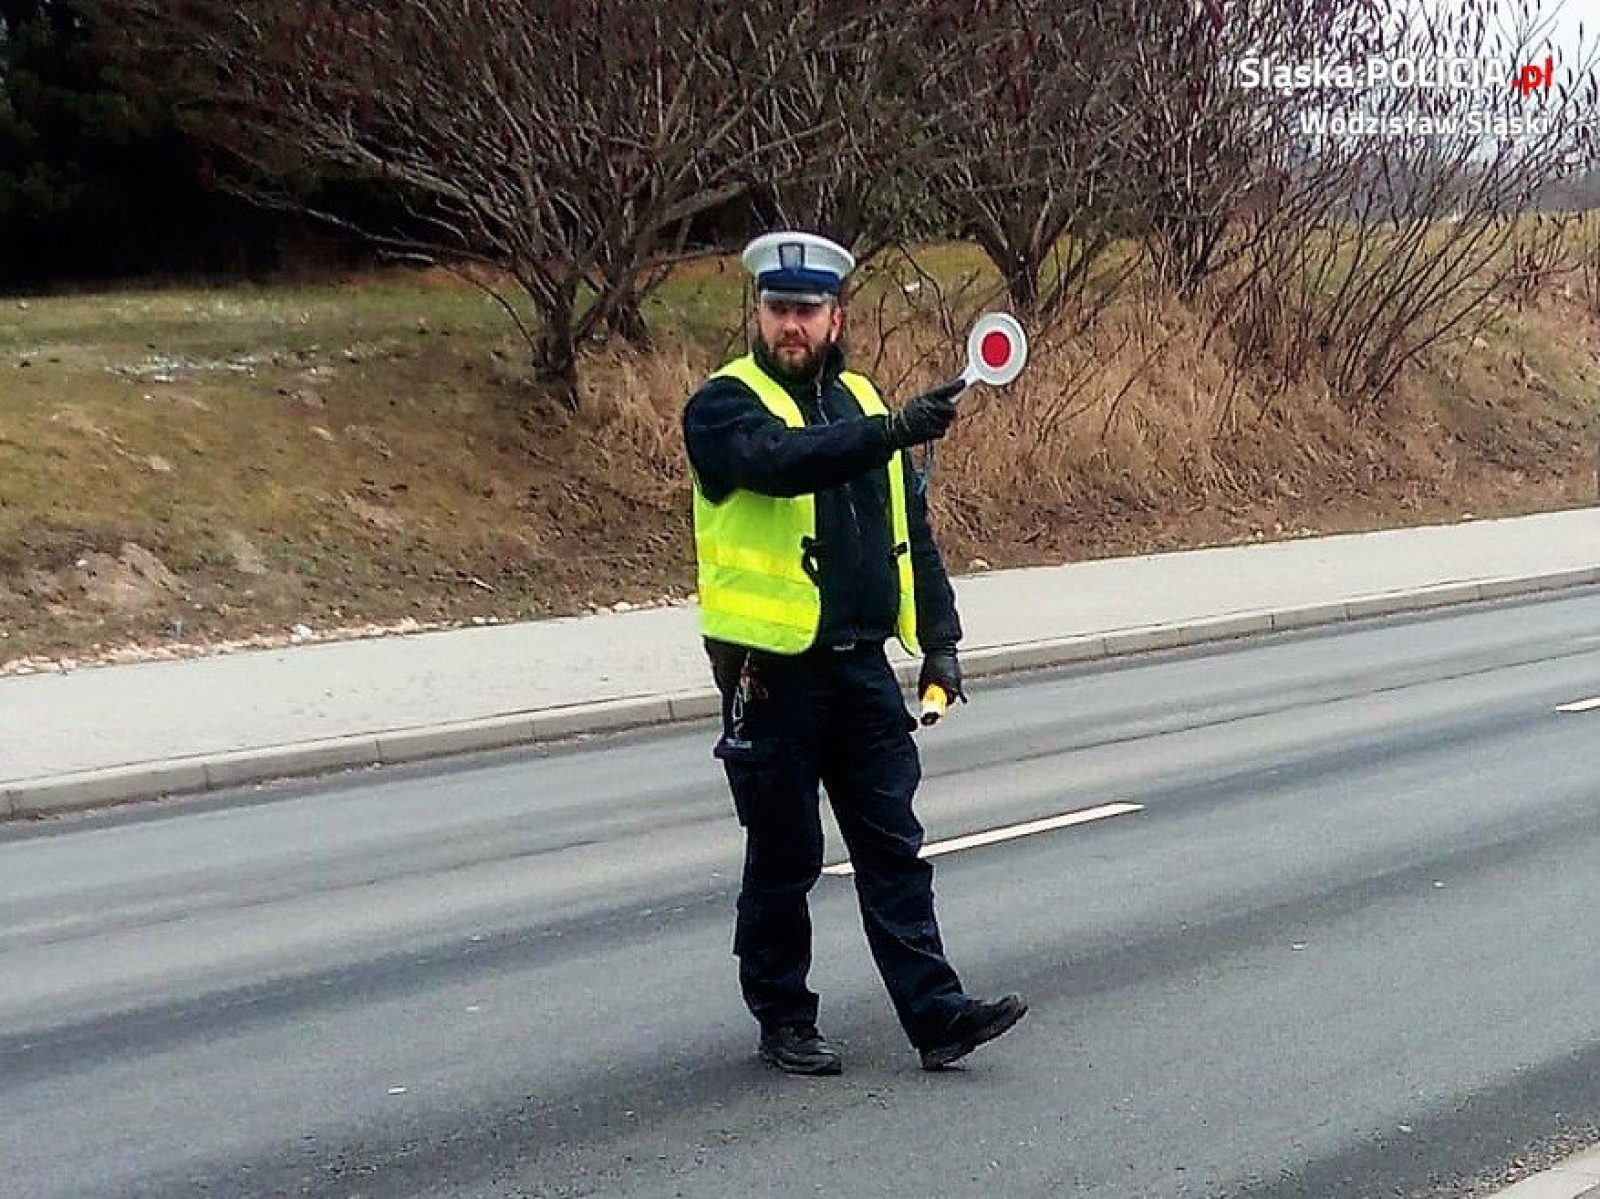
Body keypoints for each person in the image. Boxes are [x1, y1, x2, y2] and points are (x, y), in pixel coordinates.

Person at [681, 230, 1027, 1074]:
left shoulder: (864, 400)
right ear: (757, 315)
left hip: (859, 668)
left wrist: (941, 644)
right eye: (777, 310)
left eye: (806, 311)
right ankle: (784, 1015)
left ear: (837, 318)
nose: (790, 326)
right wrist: (892, 431)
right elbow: (782, 464)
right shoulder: (724, 405)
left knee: (893, 848)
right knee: (785, 854)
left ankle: (937, 1014)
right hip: (770, 676)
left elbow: (914, 533)